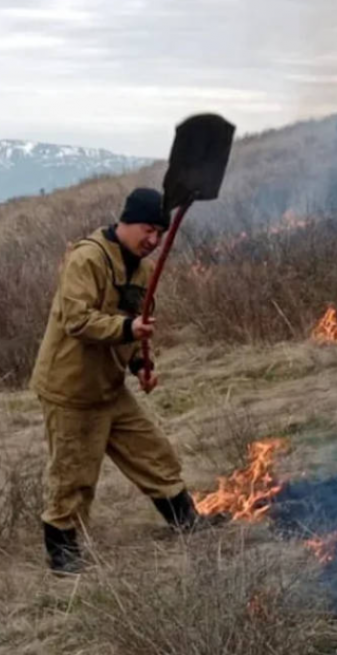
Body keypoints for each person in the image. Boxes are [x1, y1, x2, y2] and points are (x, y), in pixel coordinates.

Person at [29, 187, 219, 574]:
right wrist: (129, 329)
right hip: (71, 389)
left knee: (154, 453)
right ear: (126, 221)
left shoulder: (144, 270)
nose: (153, 241)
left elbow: (136, 327)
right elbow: (77, 320)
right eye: (148, 230)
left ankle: (185, 522)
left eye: (160, 235)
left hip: (109, 387)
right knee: (73, 473)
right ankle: (62, 552)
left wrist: (138, 366)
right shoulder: (87, 259)